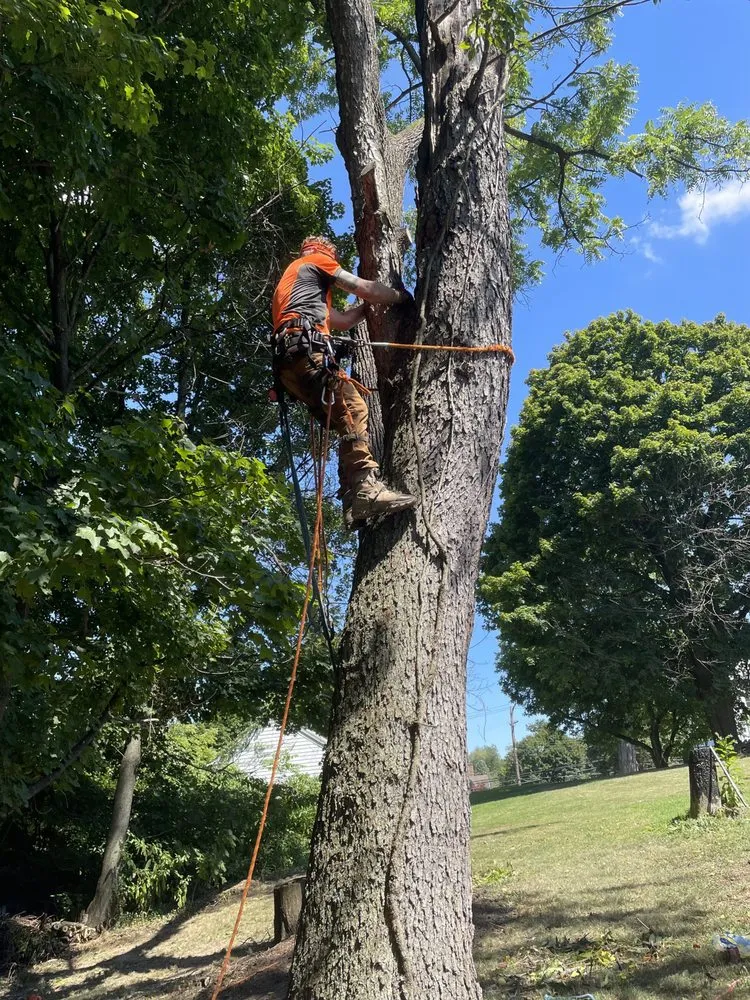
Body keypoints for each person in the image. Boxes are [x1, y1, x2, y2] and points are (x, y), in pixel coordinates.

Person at [272, 235, 417, 528]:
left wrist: (366, 308)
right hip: (307, 354)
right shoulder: (316, 260)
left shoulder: (296, 287)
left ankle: (352, 501)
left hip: (290, 367)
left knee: (343, 421)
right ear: (324, 252)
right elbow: (363, 287)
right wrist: (401, 297)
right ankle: (366, 489)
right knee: (354, 409)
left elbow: (344, 321)